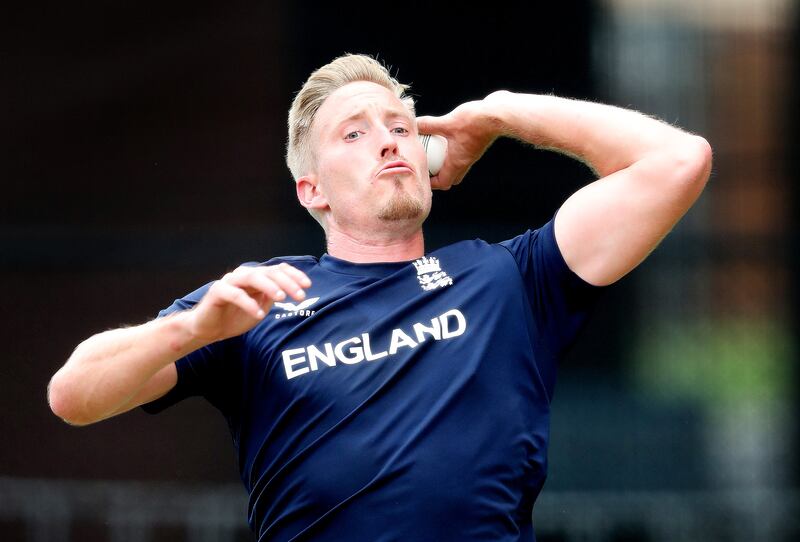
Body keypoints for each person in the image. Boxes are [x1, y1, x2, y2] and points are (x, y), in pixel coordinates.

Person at [48, 53, 712, 541]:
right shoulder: (261, 299)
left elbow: (677, 162)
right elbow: (74, 395)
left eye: (398, 125)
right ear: (313, 191)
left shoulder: (508, 278)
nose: (389, 138)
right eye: (355, 133)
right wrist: (188, 329)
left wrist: (504, 111)